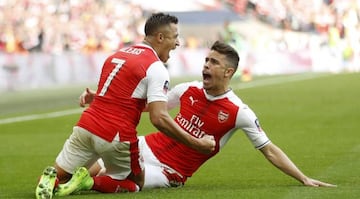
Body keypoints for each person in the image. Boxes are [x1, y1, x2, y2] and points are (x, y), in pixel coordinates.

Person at [54, 41, 335, 197]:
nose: (206, 66)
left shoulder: (239, 112)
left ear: (228, 72)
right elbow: (151, 108)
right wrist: (99, 99)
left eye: (214, 63)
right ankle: (68, 185)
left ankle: (83, 184)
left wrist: (303, 178)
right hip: (147, 146)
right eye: (206, 60)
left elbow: (269, 150)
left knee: (124, 183)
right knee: (98, 165)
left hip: (168, 172)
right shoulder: (186, 89)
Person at [35, 12, 216, 199]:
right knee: (136, 183)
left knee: (61, 175)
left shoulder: (118, 54)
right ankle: (88, 182)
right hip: (116, 135)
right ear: (160, 37)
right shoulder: (156, 68)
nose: (178, 43)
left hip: (86, 126)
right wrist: (197, 143)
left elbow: (122, 96)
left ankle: (50, 180)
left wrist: (96, 96)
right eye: (175, 37)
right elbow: (159, 117)